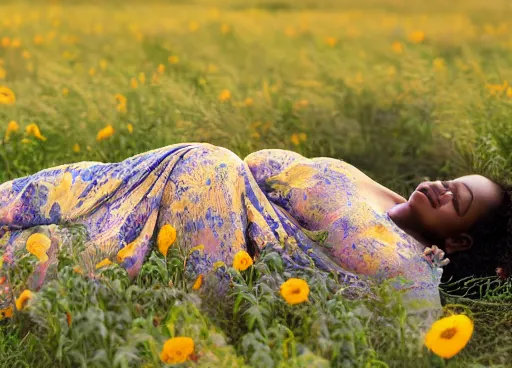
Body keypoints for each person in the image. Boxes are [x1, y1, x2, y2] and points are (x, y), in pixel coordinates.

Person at [0, 142, 509, 321]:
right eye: (452, 180)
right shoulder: (384, 196)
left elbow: (410, 331)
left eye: (457, 201)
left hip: (209, 251)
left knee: (62, 255)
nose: (443, 187)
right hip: (167, 189)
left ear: (458, 241)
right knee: (62, 199)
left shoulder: (411, 271)